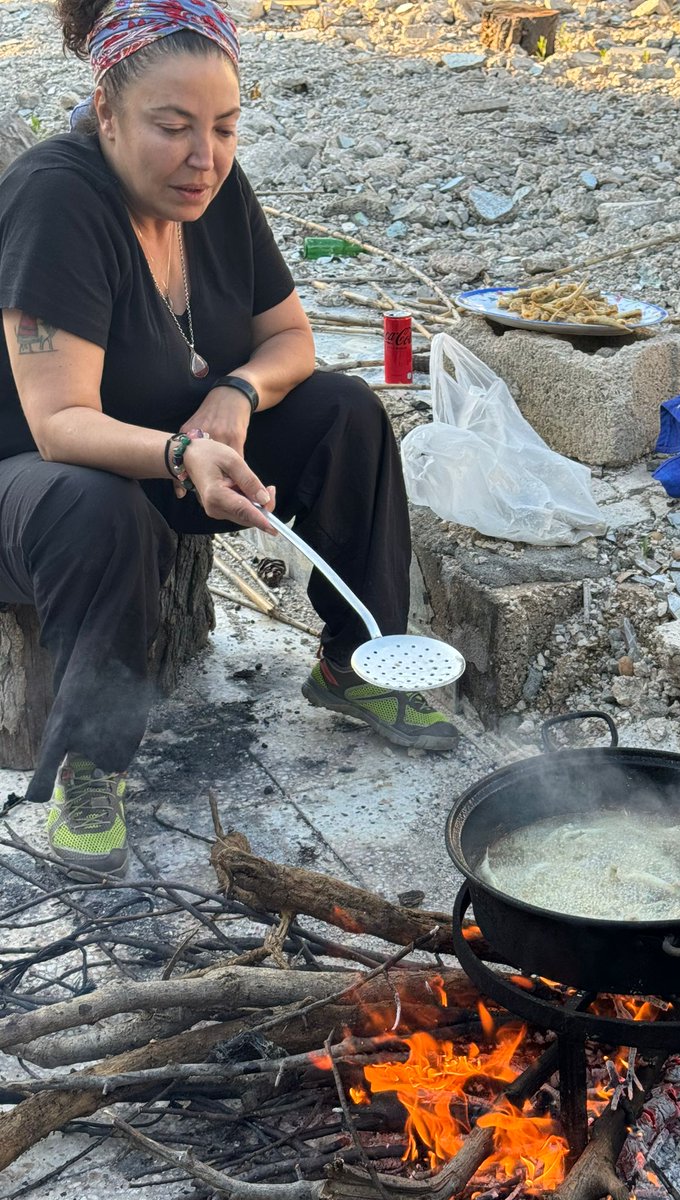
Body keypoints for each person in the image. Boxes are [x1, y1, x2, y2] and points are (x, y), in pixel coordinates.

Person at [0, 0, 459, 879]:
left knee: (347, 413)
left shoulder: (211, 189)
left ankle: (355, 664)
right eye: (172, 128)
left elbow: (293, 342)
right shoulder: (56, 200)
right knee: (98, 508)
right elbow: (58, 427)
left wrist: (238, 395)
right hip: (36, 491)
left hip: (175, 452)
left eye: (223, 126)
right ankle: (92, 770)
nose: (202, 157)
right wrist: (181, 454)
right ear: (106, 111)